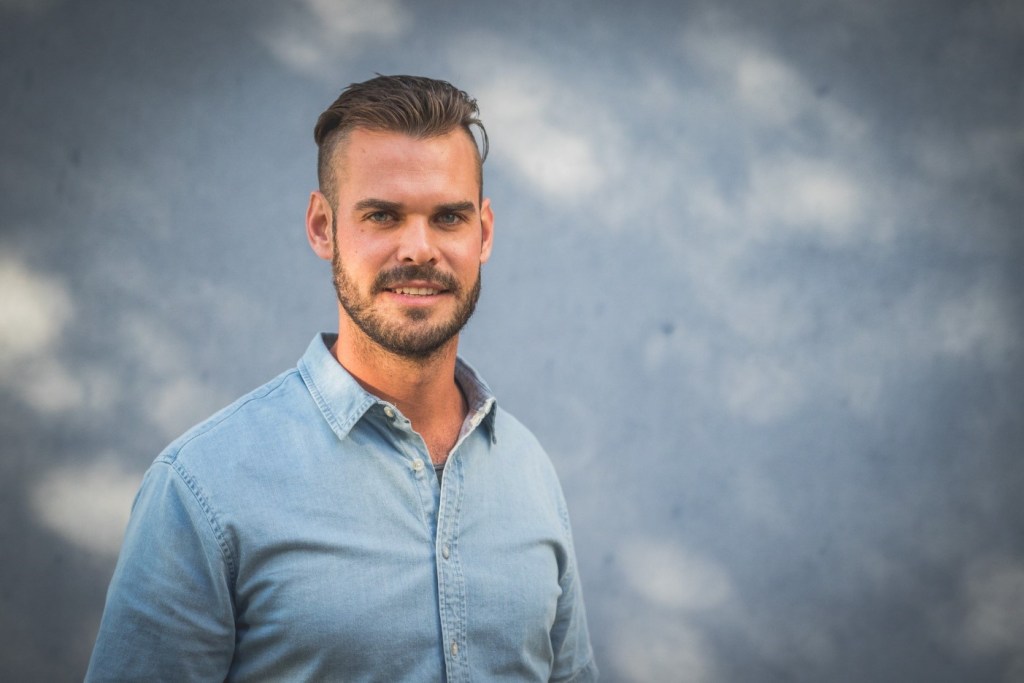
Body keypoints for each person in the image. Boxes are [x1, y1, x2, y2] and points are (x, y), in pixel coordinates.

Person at [85, 74, 597, 682]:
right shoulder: (201, 488)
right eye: (382, 215)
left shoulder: (528, 469)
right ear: (322, 227)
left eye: (448, 217)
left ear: (483, 233)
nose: (419, 249)